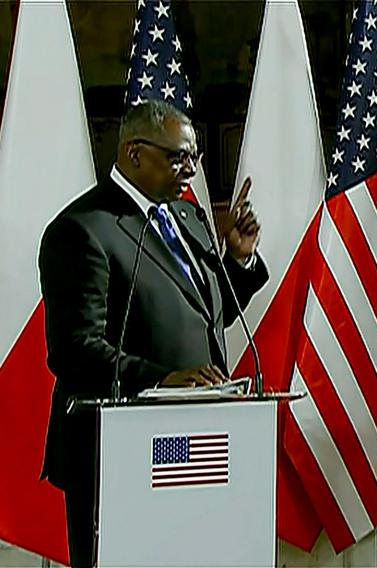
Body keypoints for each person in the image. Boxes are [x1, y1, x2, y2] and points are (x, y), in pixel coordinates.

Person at [38, 100, 268, 567]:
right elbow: (74, 349)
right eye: (178, 157)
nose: (190, 169)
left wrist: (238, 260)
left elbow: (206, 316)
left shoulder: (188, 219)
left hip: (199, 452)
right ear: (134, 152)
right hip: (119, 457)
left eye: (195, 157)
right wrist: (162, 380)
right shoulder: (84, 229)